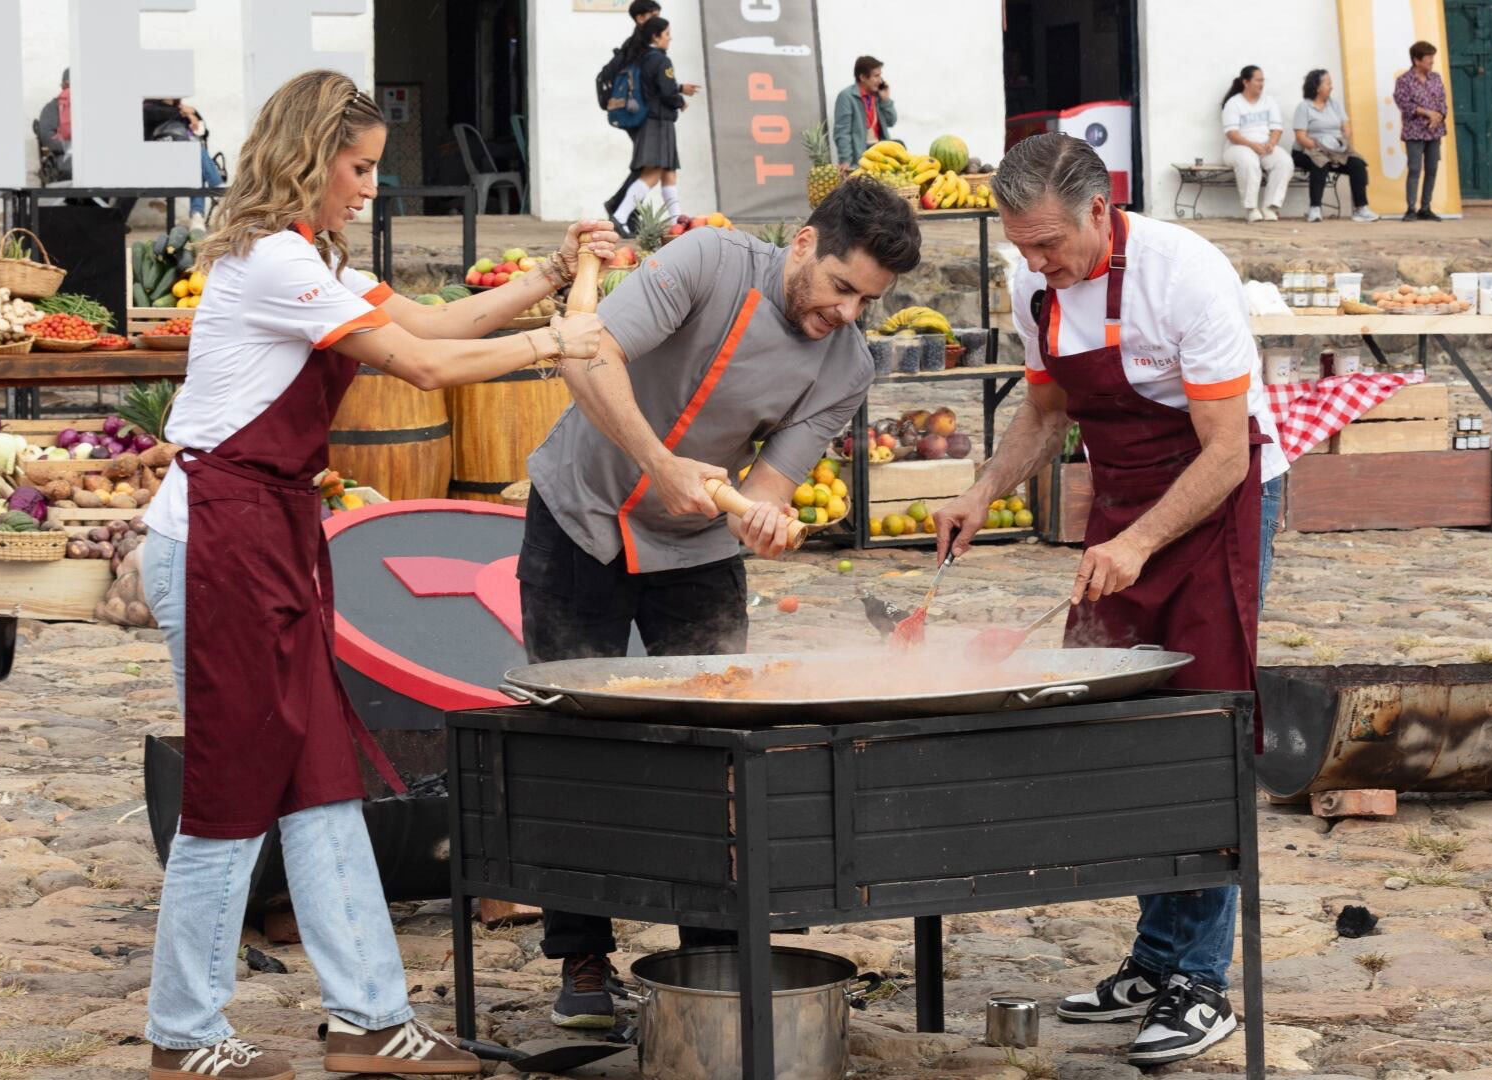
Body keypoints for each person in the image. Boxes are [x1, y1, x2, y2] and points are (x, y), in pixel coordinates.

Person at [137, 68, 611, 1080]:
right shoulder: (274, 263)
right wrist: (558, 335)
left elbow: (432, 325)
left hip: (269, 531)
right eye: (356, 168)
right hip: (220, 540)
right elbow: (424, 369)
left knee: (320, 784)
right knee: (232, 790)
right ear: (308, 159)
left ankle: (369, 1017)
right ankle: (183, 1034)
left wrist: (545, 277)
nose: (368, 186)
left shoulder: (308, 259)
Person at [523, 178, 921, 1031]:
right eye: (842, 288)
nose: (848, 314)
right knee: (568, 742)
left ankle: (710, 956)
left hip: (694, 551)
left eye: (869, 302)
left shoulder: (847, 366)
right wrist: (658, 463)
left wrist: (767, 525)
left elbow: (767, 490)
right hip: (577, 514)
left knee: (716, 753)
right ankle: (582, 962)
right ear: (805, 245)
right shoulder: (707, 260)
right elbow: (586, 356)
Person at [930, 134, 1286, 1068]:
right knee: (1125, 725)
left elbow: (1223, 453)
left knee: (1202, 725)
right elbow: (1048, 413)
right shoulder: (1034, 284)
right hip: (1123, 497)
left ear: (1100, 209)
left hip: (1215, 496)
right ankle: (1158, 955)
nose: (1036, 263)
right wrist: (983, 490)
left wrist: (1134, 543)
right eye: (1021, 247)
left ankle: (1202, 981)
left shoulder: (1186, 274)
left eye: (1048, 243)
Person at [610, 16, 698, 234]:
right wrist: (680, 101)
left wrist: (678, 88)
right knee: (653, 172)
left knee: (668, 172)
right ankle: (620, 216)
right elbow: (666, 91)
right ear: (655, 36)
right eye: (667, 34)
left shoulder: (642, 58)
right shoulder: (661, 60)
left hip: (652, 121)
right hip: (657, 122)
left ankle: (677, 220)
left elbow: (656, 86)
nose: (670, 38)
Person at [600, 0, 663, 225]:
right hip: (638, 113)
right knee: (646, 165)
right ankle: (619, 207)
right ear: (641, 18)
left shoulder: (636, 42)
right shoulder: (639, 44)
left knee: (644, 164)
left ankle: (628, 211)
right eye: (654, 15)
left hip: (637, 112)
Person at [1291, 69, 1376, 222]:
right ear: (1317, 87)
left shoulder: (1335, 105)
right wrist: (1322, 149)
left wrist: (1341, 143)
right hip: (1307, 150)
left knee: (1357, 164)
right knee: (1320, 163)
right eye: (1328, 83)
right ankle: (1315, 209)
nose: (1331, 87)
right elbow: (1301, 137)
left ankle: (1361, 209)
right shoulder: (1304, 107)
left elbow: (1346, 127)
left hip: (1335, 150)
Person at [1219, 66, 1292, 223]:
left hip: (1264, 146)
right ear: (1246, 82)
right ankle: (1251, 209)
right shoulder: (1234, 103)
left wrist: (1272, 143)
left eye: (1262, 80)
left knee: (1284, 162)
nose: (1261, 84)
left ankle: (1270, 207)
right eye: (1258, 80)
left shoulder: (1268, 101)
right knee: (1248, 162)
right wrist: (1252, 145)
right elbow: (1231, 133)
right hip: (1238, 146)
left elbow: (1277, 128)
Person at [145, 98, 227, 230]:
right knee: (194, 151)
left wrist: (193, 115)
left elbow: (203, 134)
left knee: (195, 161)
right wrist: (186, 112)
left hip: (185, 161)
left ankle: (197, 216)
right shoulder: (150, 107)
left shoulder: (184, 110)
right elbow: (155, 114)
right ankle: (216, 185)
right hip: (160, 161)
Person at [1393, 41, 1447, 221]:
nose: (1432, 61)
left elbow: (1442, 101)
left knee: (1432, 169)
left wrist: (1437, 116)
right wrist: (1426, 112)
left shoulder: (1436, 78)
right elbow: (1403, 103)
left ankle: (1426, 208)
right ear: (1417, 60)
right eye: (1428, 58)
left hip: (1434, 130)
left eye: (1433, 57)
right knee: (1415, 169)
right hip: (1414, 131)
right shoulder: (1404, 81)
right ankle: (1410, 209)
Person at [833, 56, 896, 171]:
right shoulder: (847, 96)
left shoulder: (878, 96)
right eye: (876, 76)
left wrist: (886, 100)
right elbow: (842, 132)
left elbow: (891, 121)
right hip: (860, 159)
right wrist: (845, 160)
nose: (880, 80)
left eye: (880, 75)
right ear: (862, 77)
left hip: (880, 156)